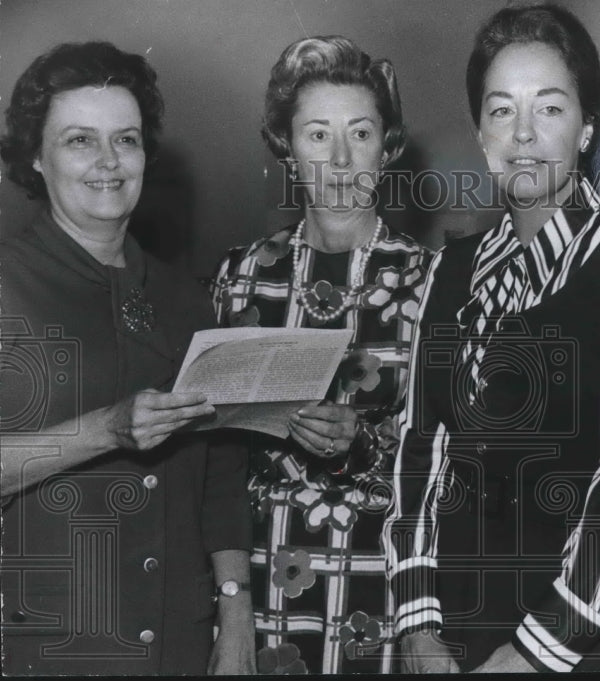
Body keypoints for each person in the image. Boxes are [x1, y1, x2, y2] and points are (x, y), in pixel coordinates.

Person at [384, 4, 600, 673]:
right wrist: (417, 621)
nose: (522, 133)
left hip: (591, 640)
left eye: (549, 108)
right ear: (480, 130)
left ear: (586, 128)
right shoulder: (452, 268)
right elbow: (423, 450)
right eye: (501, 111)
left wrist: (529, 655)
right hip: (459, 632)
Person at [0, 42, 254, 675]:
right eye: (80, 140)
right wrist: (104, 429)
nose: (109, 163)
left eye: (127, 140)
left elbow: (219, 478)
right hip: (56, 645)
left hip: (179, 640)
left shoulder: (186, 298)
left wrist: (237, 616)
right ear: (36, 155)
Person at [211, 35, 433, 674]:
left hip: (385, 581)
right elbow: (214, 459)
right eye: (316, 136)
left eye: (360, 134)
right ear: (286, 146)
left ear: (387, 147)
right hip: (264, 581)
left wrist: (362, 443)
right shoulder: (242, 276)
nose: (340, 160)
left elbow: (453, 456)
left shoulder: (435, 279)